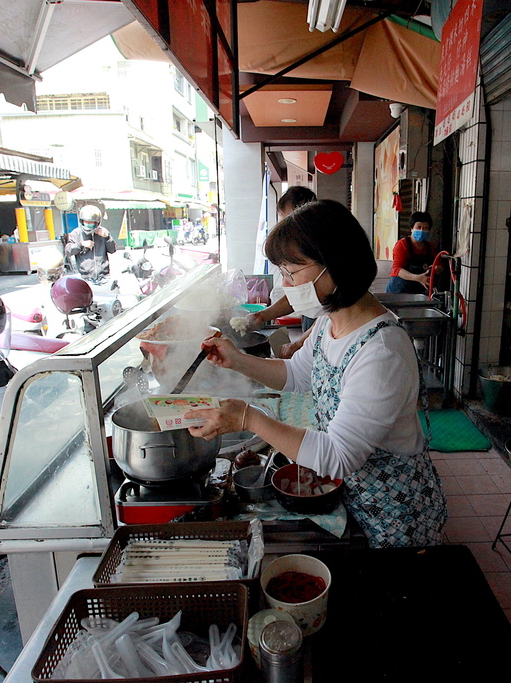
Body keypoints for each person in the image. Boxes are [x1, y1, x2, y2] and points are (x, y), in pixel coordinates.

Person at [186, 200, 448, 548]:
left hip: (394, 515)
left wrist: (248, 418)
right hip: (357, 493)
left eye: (290, 272)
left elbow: (336, 457)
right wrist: (237, 361)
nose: (284, 282)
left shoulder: (381, 352)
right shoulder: (330, 322)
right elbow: (297, 374)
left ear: (334, 266)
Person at [245, 185, 317, 358]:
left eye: (288, 222)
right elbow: (301, 295)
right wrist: (262, 316)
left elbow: (329, 318)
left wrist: (300, 343)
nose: (286, 284)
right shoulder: (305, 250)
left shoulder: (319, 253)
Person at [386, 211, 438, 295]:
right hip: (398, 291)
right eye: (418, 227)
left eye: (425, 228)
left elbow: (438, 265)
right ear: (411, 228)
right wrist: (418, 278)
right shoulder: (402, 245)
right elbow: (397, 269)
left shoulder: (430, 247)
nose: (421, 230)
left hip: (418, 291)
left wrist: (437, 269)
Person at [65, 205, 116, 282]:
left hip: (104, 277)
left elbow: (113, 250)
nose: (89, 223)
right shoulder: (76, 233)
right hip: (85, 277)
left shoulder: (103, 232)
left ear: (97, 222)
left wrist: (107, 237)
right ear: (82, 221)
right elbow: (68, 250)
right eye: (86, 222)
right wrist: (81, 244)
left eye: (91, 222)